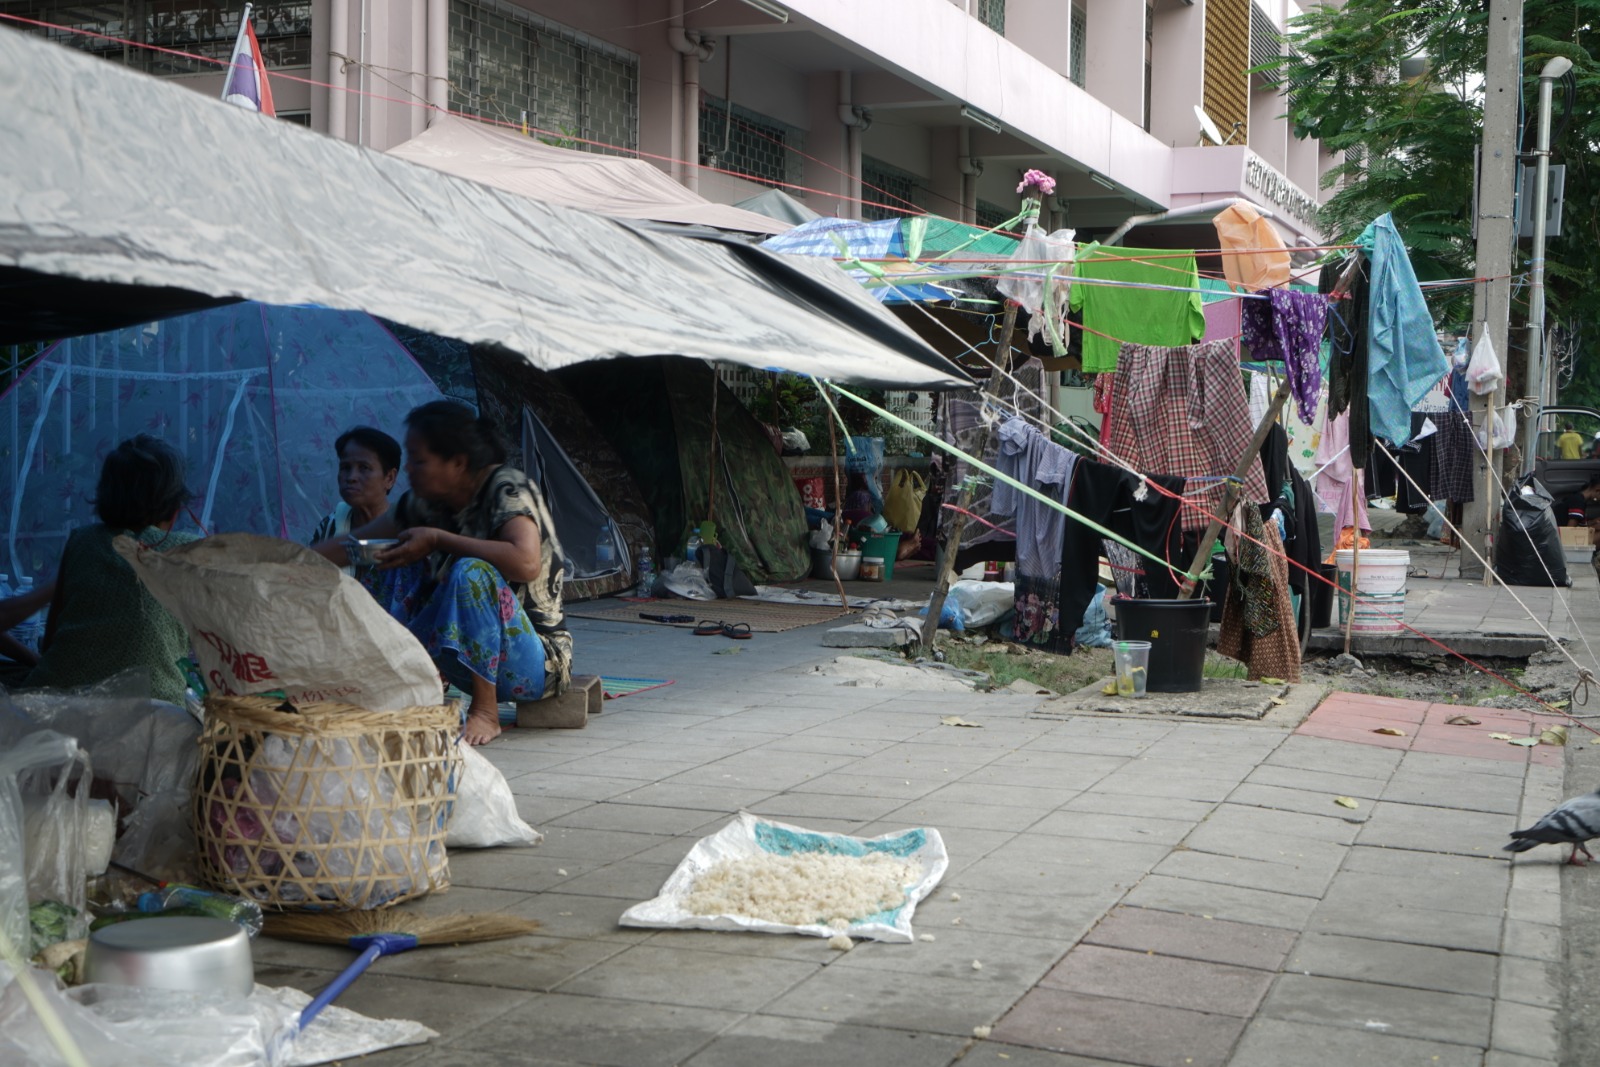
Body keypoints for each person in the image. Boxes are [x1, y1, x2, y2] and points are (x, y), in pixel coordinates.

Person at [315, 401, 571, 745]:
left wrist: (438, 538)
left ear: (457, 463)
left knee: (470, 573)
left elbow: (526, 563)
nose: (410, 470)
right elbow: (356, 543)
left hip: (534, 664)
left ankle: (486, 712)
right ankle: (390, 688)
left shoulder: (505, 487)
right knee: (388, 554)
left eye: (420, 460)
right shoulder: (422, 504)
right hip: (460, 662)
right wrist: (284, 563)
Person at [26, 436, 199, 704]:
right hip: (154, 716)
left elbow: (49, 643)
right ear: (174, 506)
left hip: (51, 705)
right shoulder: (188, 552)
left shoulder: (80, 540)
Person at [310, 426, 402, 575]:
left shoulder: (406, 534)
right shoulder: (329, 527)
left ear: (389, 478)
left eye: (364, 468)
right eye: (345, 467)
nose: (351, 477)